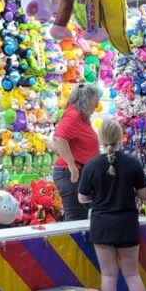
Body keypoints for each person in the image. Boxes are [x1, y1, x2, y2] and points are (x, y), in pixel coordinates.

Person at [78, 120, 146, 291]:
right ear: (121, 138)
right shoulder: (132, 163)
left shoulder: (91, 165)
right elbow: (144, 195)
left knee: (108, 275)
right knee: (132, 274)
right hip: (127, 224)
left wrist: (100, 198)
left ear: (100, 138)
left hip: (102, 225)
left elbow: (83, 197)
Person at [52, 84, 101, 221]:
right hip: (71, 174)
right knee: (76, 219)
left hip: (78, 173)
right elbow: (59, 138)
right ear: (87, 100)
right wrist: (72, 166)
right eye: (95, 101)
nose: (97, 105)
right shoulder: (73, 116)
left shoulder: (80, 117)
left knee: (78, 217)